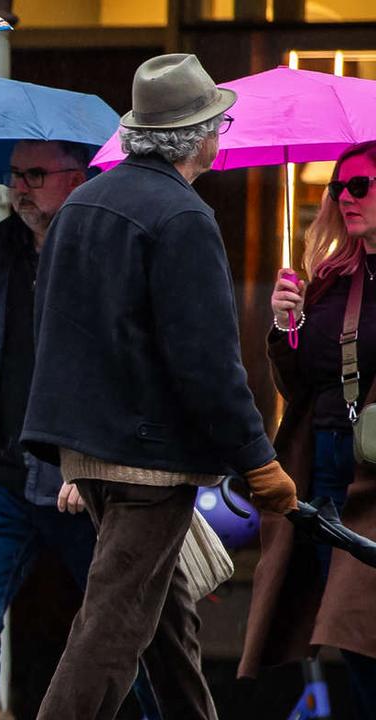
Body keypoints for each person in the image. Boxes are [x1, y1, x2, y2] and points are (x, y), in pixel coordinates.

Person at [19, 54, 299, 720]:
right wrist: (260, 462)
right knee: (112, 631)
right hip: (148, 461)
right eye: (216, 123)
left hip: (89, 453)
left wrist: (72, 446)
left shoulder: (82, 204)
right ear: (196, 137)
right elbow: (207, 363)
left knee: (163, 620)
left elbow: (56, 336)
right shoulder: (183, 217)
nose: (220, 133)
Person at [0, 141, 158, 720]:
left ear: (77, 178)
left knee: (120, 624)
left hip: (79, 477)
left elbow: (123, 368)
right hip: (2, 475)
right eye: (14, 175)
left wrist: (85, 454)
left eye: (35, 174)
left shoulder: (103, 255)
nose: (20, 187)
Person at [241, 140, 376, 718]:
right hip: (325, 471)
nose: (346, 197)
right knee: (351, 635)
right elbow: (299, 388)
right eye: (338, 187)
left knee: (360, 624)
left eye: (361, 186)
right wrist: (284, 324)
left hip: (375, 478)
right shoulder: (330, 279)